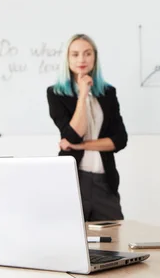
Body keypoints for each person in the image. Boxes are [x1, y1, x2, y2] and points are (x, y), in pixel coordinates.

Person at [47, 34, 127, 221]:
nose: (81, 59)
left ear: (95, 57)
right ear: (67, 59)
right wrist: (83, 94)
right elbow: (74, 135)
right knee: (71, 239)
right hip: (74, 178)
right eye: (75, 54)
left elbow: (120, 140)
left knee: (115, 238)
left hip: (104, 180)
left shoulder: (108, 92)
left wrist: (80, 146)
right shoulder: (56, 93)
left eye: (87, 53)